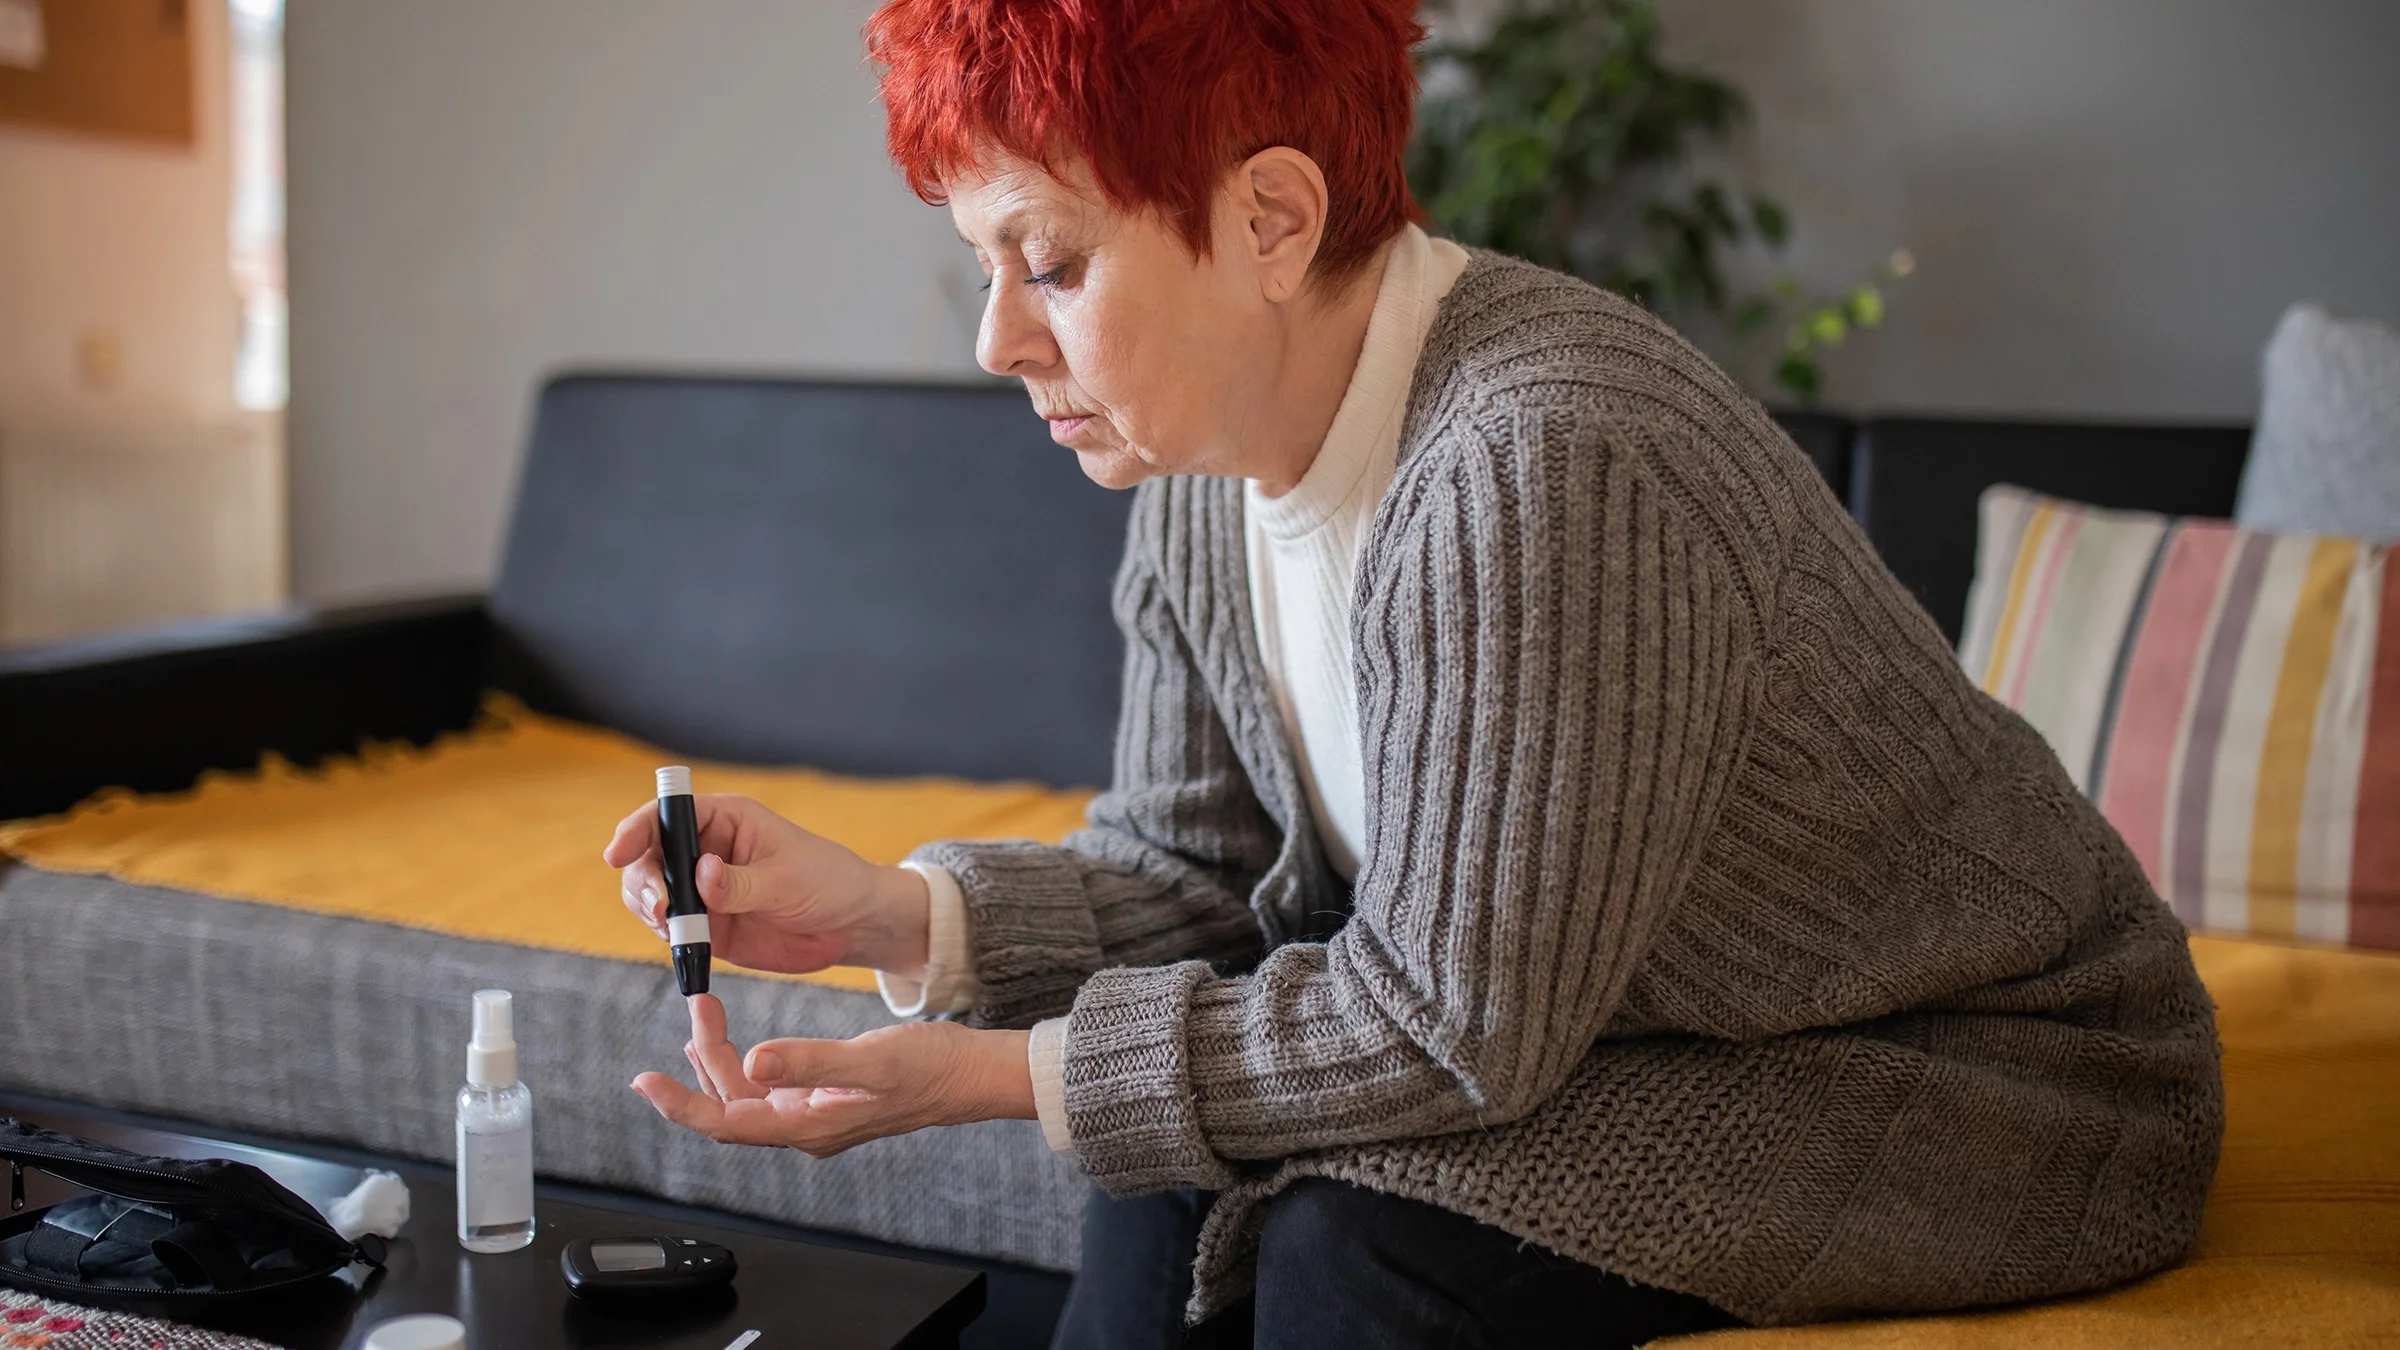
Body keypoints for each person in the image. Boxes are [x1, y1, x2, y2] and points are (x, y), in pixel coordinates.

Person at [600, 2, 2225, 1346]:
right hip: (1627, 1028)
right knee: (1166, 1164)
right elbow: (1197, 874)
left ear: (1273, 220)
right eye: (985, 264)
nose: (997, 341)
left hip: (1986, 1073)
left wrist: (992, 1074)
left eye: (1055, 262)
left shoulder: (1545, 458)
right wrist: (892, 916)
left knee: (1352, 1241)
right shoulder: (1197, 474)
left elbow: (1450, 1025)